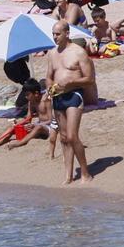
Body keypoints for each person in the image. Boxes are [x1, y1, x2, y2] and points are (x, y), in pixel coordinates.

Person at [47, 21, 95, 184]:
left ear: (67, 33)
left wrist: (70, 84)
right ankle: (68, 175)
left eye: (58, 34)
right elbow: (49, 76)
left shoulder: (79, 52)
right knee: (64, 137)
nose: (55, 37)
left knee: (73, 136)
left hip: (74, 95)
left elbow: (89, 79)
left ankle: (85, 172)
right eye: (53, 34)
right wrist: (49, 88)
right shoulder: (52, 53)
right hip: (57, 97)